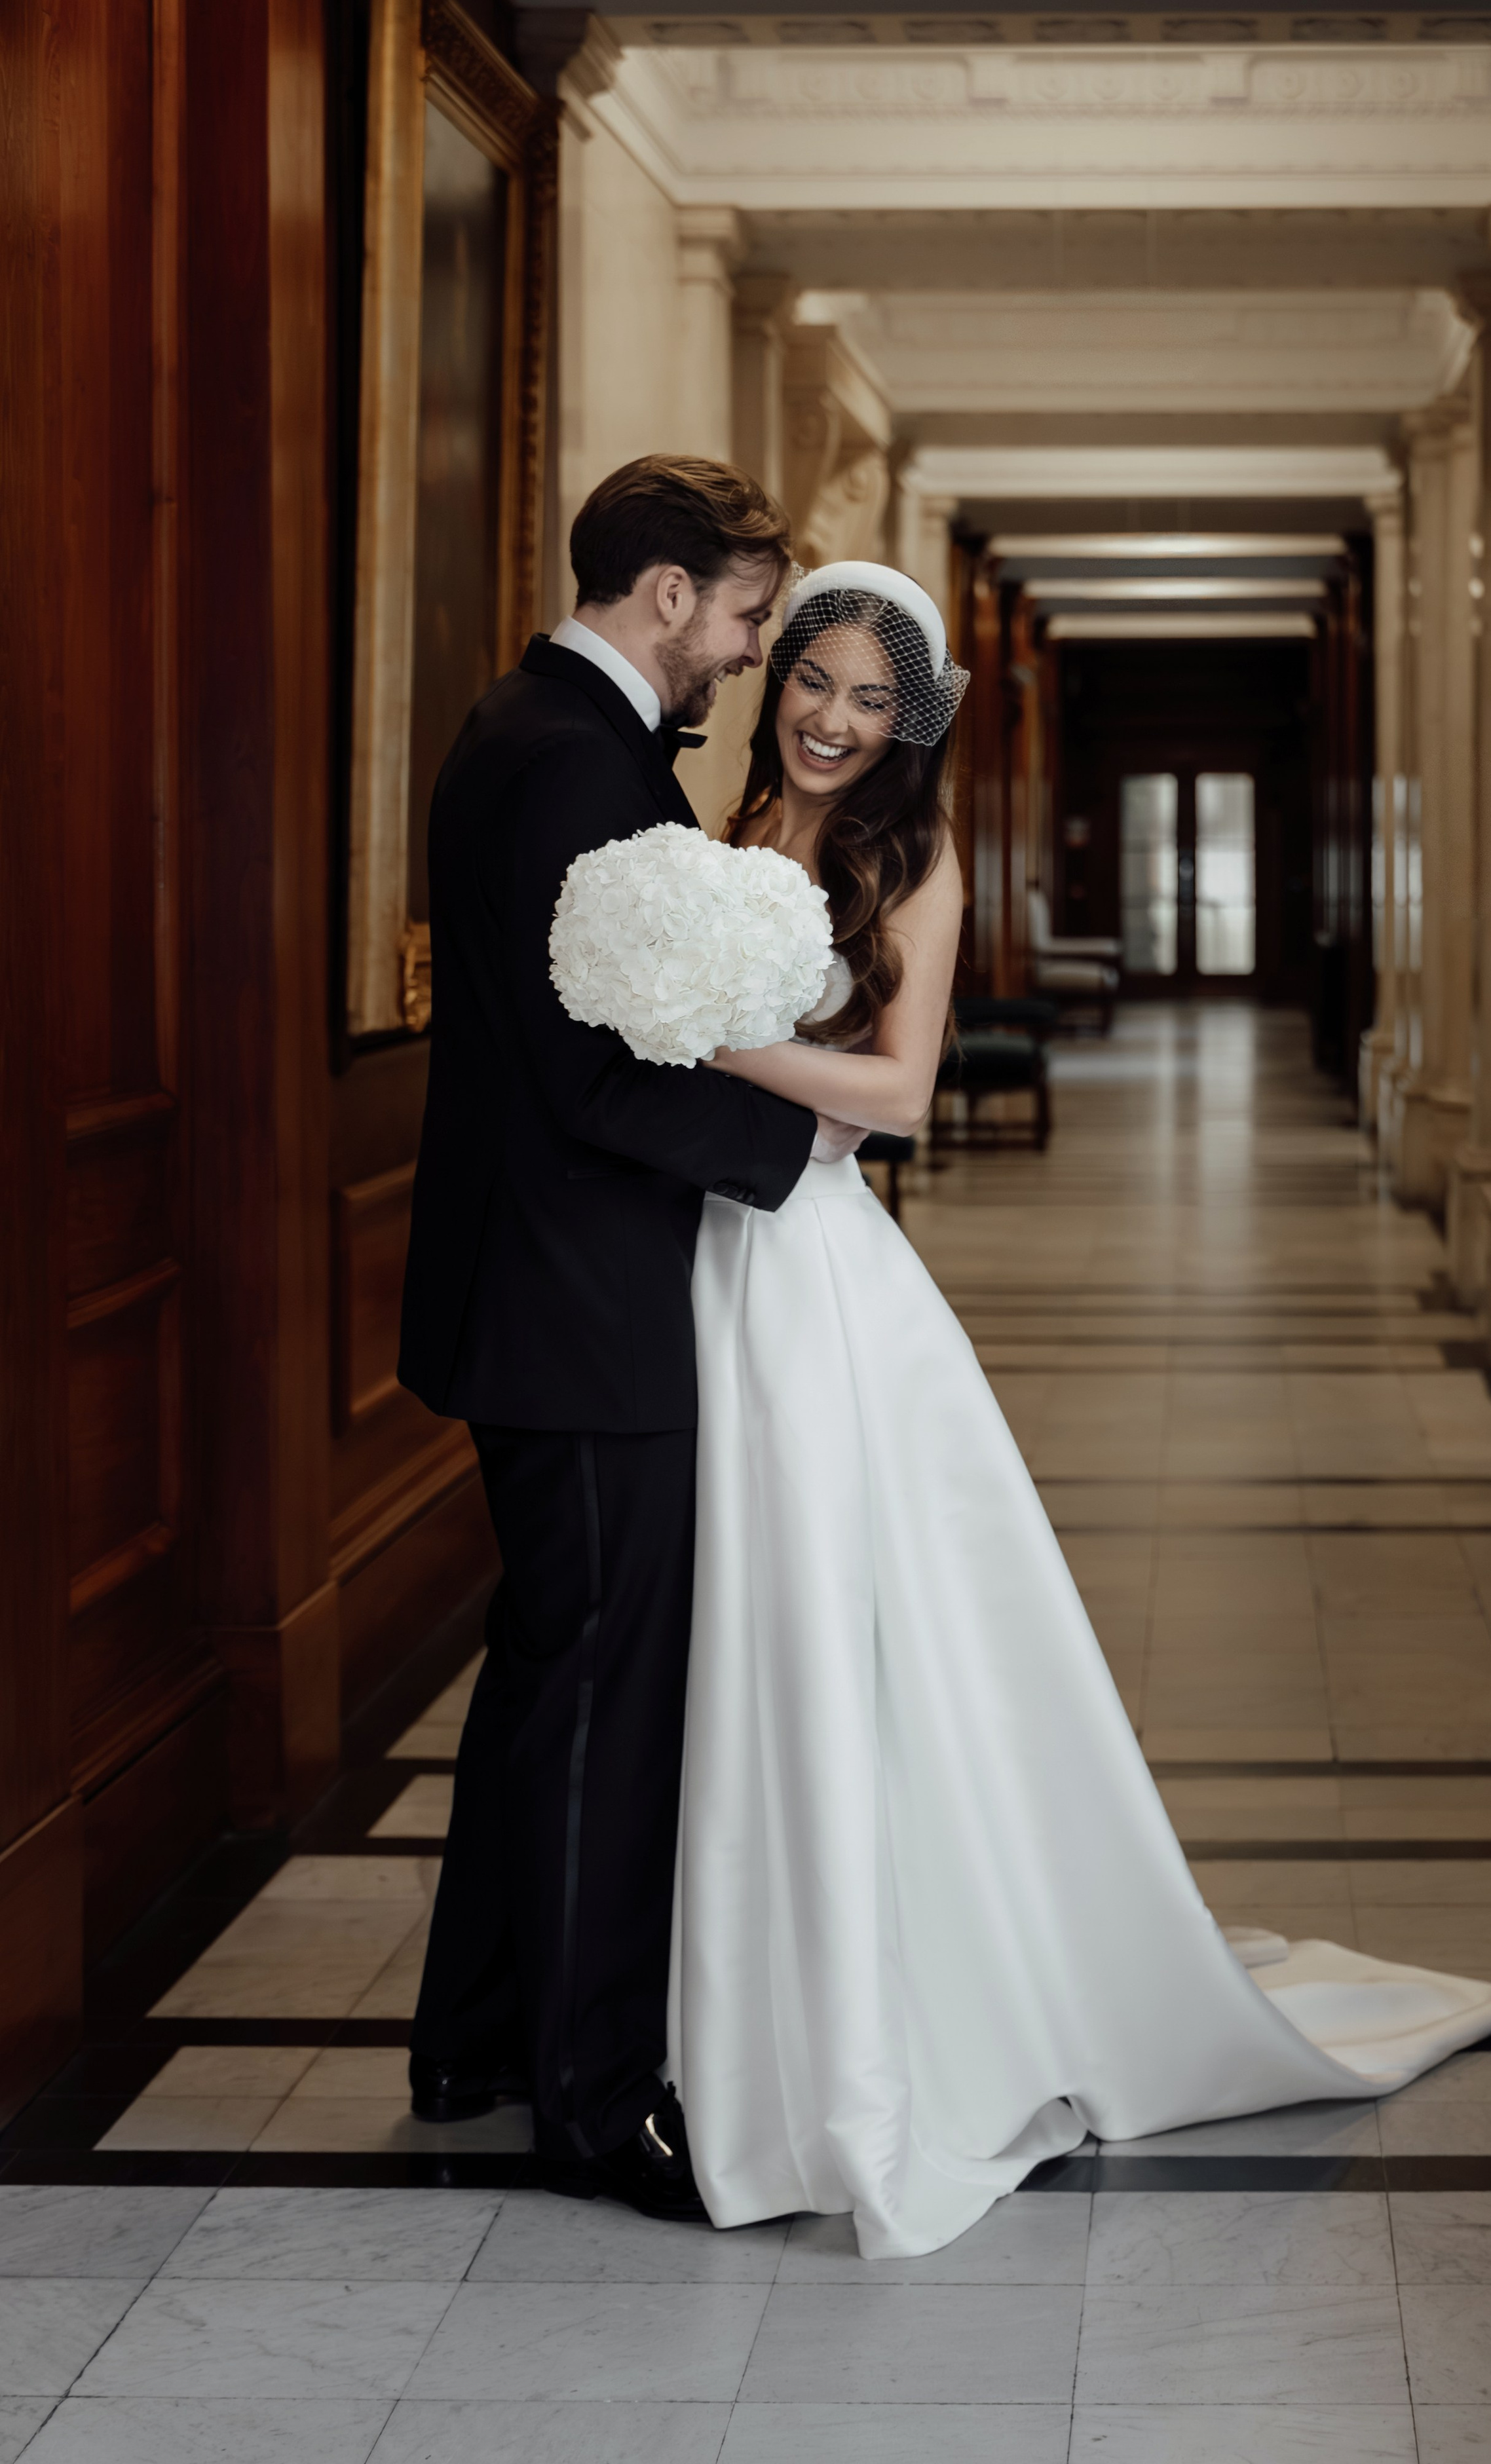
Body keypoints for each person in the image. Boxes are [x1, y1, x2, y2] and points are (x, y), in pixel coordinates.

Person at [668, 560, 1491, 2260]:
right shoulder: (716, 835)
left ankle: (884, 2021)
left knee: (849, 1619)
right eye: (814, 684)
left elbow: (896, 1096)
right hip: (695, 1260)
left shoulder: (912, 857)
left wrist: (706, 1041)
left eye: (871, 701)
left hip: (822, 1277)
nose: (835, 721)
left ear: (914, 725)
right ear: (778, 687)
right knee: (735, 1629)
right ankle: (734, 2012)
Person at [398, 457, 861, 2218]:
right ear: (668, 594)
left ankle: (476, 2042)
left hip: (533, 1295)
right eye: (748, 617)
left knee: (543, 1678)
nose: (749, 655)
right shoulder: (572, 765)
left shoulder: (528, 731)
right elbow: (590, 1074)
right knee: (599, 1696)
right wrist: (789, 1146)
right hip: (576, 1310)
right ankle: (593, 2107)